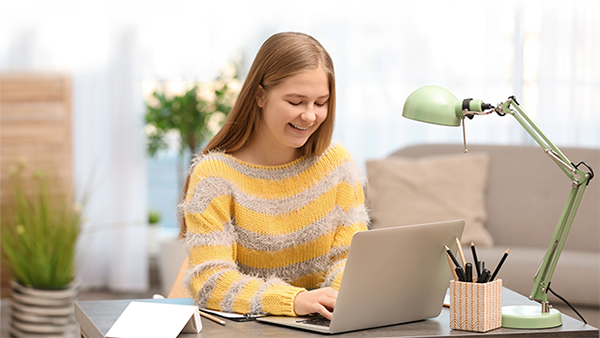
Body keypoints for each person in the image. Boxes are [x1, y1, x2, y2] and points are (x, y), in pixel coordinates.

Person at [179, 32, 369, 320]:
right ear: (259, 95)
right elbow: (210, 280)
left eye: (321, 103)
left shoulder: (338, 166)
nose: (309, 116)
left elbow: (349, 259)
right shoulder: (214, 176)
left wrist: (338, 300)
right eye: (296, 102)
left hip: (322, 326)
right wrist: (294, 300)